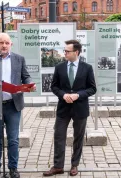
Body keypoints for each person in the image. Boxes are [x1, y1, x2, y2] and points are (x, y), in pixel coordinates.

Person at [0, 33, 36, 178]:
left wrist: (29, 84)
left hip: (13, 105)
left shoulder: (19, 59)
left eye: (7, 43)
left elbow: (25, 76)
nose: (4, 45)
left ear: (11, 45)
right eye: (1, 42)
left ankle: (13, 168)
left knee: (13, 139)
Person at [43, 40, 96, 177]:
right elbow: (54, 86)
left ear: (76, 52)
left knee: (78, 137)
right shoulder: (59, 67)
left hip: (80, 108)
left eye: (67, 51)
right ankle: (58, 166)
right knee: (59, 136)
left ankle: (74, 165)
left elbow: (92, 88)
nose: (64, 53)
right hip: (63, 108)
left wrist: (78, 95)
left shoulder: (87, 68)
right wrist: (63, 94)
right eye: (64, 51)